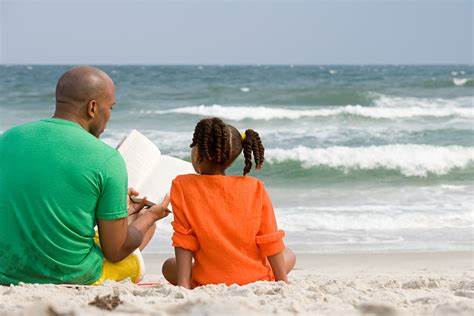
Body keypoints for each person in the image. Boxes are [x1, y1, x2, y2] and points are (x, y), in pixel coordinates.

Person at [0, 66, 169, 285]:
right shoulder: (106, 158)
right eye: (110, 108)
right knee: (141, 235)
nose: (109, 116)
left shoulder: (8, 139)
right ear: (92, 108)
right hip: (71, 275)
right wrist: (151, 216)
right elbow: (115, 251)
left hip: (7, 270)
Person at [162, 117, 296, 288]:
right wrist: (282, 281)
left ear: (198, 153)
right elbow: (269, 239)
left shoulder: (181, 185)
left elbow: (184, 239)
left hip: (208, 279)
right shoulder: (255, 187)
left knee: (168, 266)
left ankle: (191, 280)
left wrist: (183, 285)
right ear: (232, 157)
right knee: (289, 254)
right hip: (255, 278)